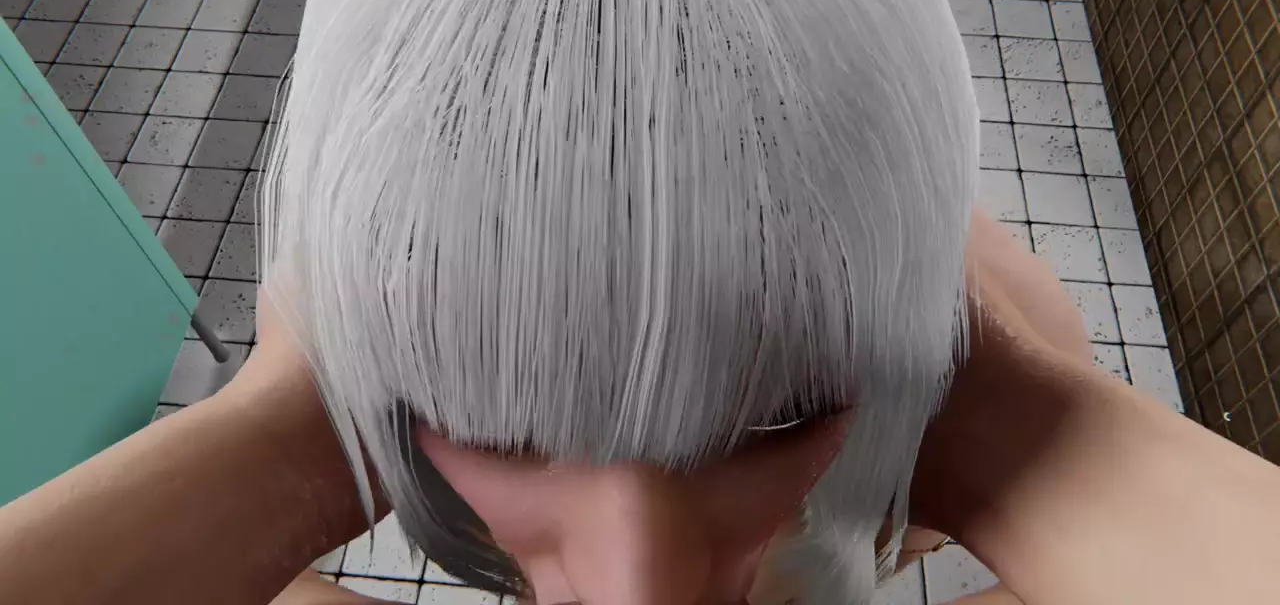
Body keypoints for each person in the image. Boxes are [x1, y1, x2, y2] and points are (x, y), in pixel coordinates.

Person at [1, 210, 1277, 605]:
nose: (634, 586)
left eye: (765, 419)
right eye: (509, 425)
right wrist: (286, 443)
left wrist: (269, 455)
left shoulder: (975, 339)